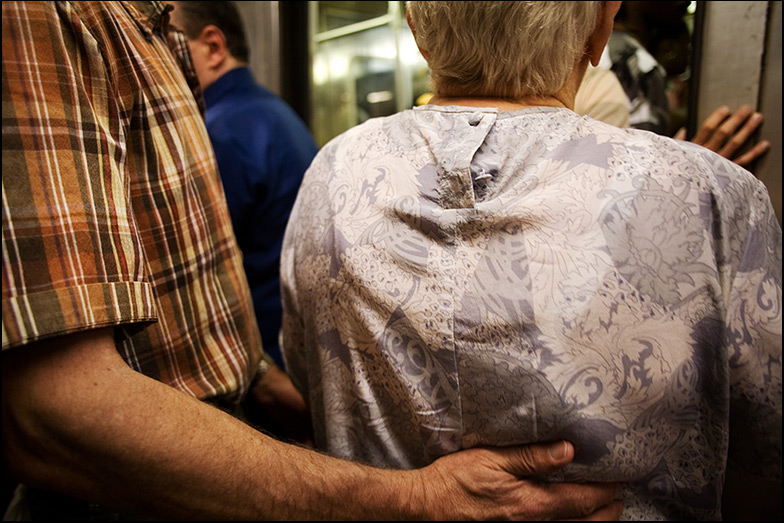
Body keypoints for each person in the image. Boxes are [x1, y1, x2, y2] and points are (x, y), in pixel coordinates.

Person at [1, 1, 625, 520]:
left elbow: (174, 268)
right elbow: (55, 410)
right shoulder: (47, 15)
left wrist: (259, 379)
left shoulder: (155, 30)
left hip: (221, 438)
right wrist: (414, 500)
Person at [280, 1, 782, 520]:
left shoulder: (332, 175)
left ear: (416, 28)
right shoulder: (711, 196)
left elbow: (305, 370)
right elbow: (766, 449)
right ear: (601, 24)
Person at [168, 1, 317, 371]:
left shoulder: (220, 131)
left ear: (214, 47)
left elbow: (198, 275)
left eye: (162, 39)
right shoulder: (272, 111)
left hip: (262, 360)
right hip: (296, 344)